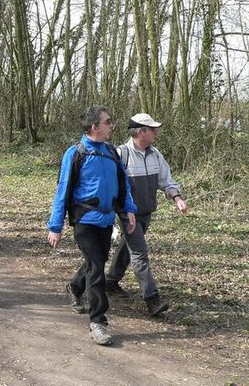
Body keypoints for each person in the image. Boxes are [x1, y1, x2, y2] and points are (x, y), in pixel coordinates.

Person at [47, 105, 137, 346]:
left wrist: (128, 210)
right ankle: (98, 321)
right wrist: (55, 226)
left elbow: (123, 184)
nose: (112, 126)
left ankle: (75, 287)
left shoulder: (111, 152)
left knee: (95, 262)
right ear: (95, 126)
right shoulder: (75, 153)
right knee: (97, 268)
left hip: (106, 221)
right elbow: (63, 190)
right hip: (84, 221)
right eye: (108, 122)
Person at [105, 113, 189, 316]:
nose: (156, 132)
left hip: (146, 212)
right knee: (139, 253)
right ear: (141, 132)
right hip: (128, 214)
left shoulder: (155, 154)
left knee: (129, 247)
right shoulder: (120, 154)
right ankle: (152, 299)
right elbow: (111, 186)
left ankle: (110, 281)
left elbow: (166, 180)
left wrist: (177, 198)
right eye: (152, 129)